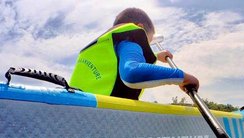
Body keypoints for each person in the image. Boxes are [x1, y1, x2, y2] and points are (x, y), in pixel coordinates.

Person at [69, 7, 199, 99]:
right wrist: (184, 78)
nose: (145, 46)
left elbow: (119, 60)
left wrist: (155, 56)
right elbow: (133, 72)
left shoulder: (104, 45)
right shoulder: (130, 39)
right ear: (140, 28)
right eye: (148, 40)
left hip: (77, 110)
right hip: (102, 118)